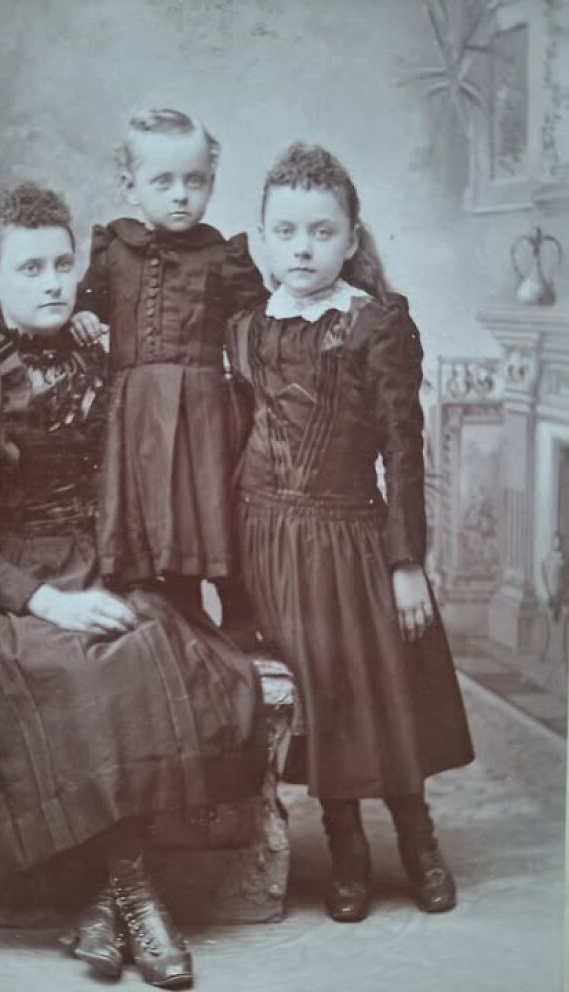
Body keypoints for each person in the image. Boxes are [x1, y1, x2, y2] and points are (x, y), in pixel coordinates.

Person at [0, 182, 267, 989]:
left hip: (92, 558)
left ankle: (109, 906)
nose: (55, 282)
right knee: (58, 660)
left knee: (161, 649)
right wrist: (48, 600)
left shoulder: (96, 354)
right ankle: (136, 896)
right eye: (31, 268)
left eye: (64, 263)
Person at [227, 143, 474, 924]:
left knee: (383, 697)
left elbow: (405, 446)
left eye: (322, 231)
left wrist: (408, 563)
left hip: (354, 541)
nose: (303, 248)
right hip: (269, 540)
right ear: (263, 238)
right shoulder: (247, 328)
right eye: (287, 231)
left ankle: (418, 841)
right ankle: (346, 852)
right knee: (323, 700)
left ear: (351, 235)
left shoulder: (376, 327)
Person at [72, 108, 268, 639]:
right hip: (134, 412)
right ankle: (170, 605)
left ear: (210, 182)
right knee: (146, 507)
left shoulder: (223, 256)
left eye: (195, 181)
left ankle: (238, 610)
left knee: (208, 506)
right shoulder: (114, 249)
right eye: (164, 181)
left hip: (203, 410)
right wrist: (86, 316)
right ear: (130, 186)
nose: (181, 194)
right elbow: (87, 304)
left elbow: (258, 321)